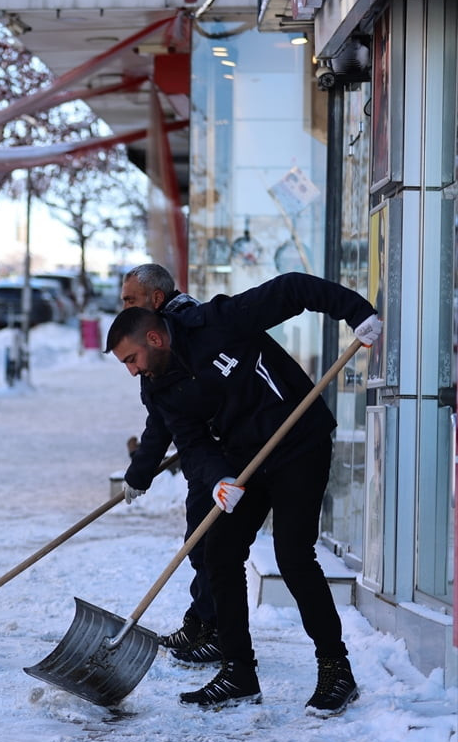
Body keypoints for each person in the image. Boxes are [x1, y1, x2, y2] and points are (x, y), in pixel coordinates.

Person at [104, 272, 382, 715]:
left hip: (298, 443)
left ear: (155, 337)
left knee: (293, 555)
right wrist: (216, 480)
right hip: (243, 462)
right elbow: (191, 444)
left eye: (132, 358)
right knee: (219, 553)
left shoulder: (217, 322)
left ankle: (336, 669)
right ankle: (239, 671)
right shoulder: (158, 386)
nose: (132, 369)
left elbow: (293, 289)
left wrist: (357, 312)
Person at [118, 264, 219, 666]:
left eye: (130, 300)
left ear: (156, 299)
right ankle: (201, 621)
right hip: (202, 454)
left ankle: (217, 630)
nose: (123, 307)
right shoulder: (154, 336)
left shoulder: (186, 328)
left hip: (222, 455)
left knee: (213, 546)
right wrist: (139, 473)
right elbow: (158, 417)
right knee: (199, 542)